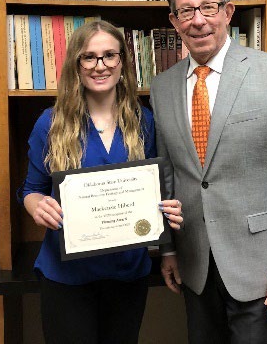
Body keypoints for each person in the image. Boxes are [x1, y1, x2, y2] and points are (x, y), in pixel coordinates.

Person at [150, 0, 267, 344]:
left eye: (208, 8)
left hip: (262, 270)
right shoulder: (162, 87)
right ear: (174, 21)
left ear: (228, 12)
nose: (198, 21)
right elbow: (167, 177)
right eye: (186, 11)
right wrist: (169, 250)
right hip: (195, 266)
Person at [18, 20, 183, 344]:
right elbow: (31, 191)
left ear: (122, 60)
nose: (100, 65)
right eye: (89, 57)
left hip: (127, 274)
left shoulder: (143, 121)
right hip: (67, 277)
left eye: (109, 55)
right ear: (76, 65)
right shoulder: (50, 124)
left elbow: (156, 191)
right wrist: (37, 206)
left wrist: (167, 212)